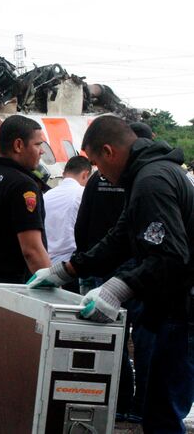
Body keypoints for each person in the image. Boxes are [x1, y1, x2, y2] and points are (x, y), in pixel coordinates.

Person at [29, 116, 194, 434]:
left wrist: (118, 288)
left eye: (95, 163)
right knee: (158, 409)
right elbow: (121, 237)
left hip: (183, 311)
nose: (97, 173)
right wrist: (67, 269)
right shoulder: (143, 177)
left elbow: (172, 257)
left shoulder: (152, 182)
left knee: (162, 414)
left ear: (109, 151)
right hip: (174, 307)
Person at [72, 122, 156, 423]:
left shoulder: (104, 181)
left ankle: (118, 401)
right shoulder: (143, 178)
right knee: (145, 341)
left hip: (115, 276)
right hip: (139, 275)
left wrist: (88, 267)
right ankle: (141, 405)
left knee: (112, 342)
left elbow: (83, 227)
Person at [0, 115, 51, 323]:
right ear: (19, 145)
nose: (41, 151)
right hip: (14, 292)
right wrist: (52, 288)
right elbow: (31, 250)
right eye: (38, 144)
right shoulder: (23, 185)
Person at [43, 156, 91, 266]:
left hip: (45, 261)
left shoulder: (46, 196)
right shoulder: (84, 193)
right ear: (85, 174)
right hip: (70, 264)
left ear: (64, 173)